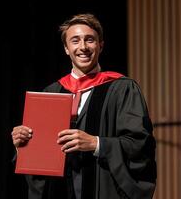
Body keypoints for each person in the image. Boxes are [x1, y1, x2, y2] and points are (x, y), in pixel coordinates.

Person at [11, 13, 157, 199]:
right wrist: (23, 145)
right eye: (75, 41)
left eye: (90, 40)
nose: (83, 47)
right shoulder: (51, 93)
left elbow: (140, 144)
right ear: (66, 48)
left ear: (100, 45)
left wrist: (96, 143)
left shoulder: (122, 89)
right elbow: (39, 162)